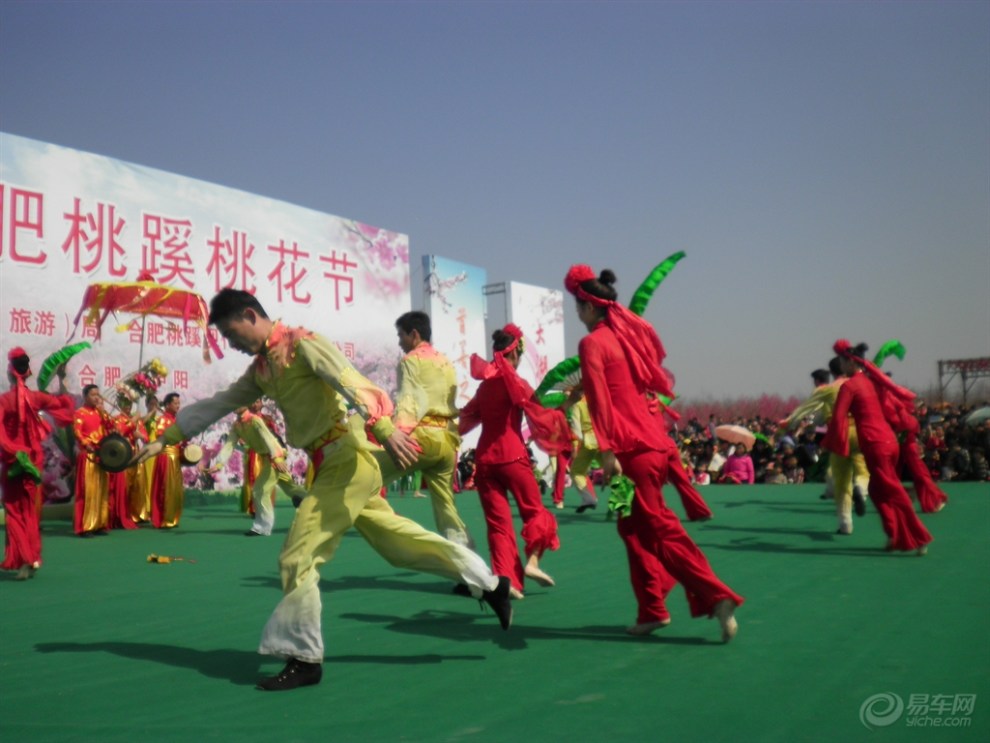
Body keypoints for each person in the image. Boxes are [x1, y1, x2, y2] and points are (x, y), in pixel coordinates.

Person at [133, 289, 512, 692]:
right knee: (397, 544)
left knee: (298, 554)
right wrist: (166, 438)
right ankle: (489, 585)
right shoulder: (262, 368)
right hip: (335, 464)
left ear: (249, 314)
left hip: (345, 460)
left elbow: (347, 379)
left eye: (231, 333)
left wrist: (384, 429)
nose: (231, 344)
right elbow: (223, 401)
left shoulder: (302, 344)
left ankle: (304, 657)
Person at [565, 264, 742, 640]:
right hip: (655, 446)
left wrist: (608, 451)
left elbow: (600, 402)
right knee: (631, 528)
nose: (576, 314)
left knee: (661, 531)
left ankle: (716, 596)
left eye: (578, 306)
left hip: (631, 452)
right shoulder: (626, 338)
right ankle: (652, 609)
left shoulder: (592, 343)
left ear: (590, 308)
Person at [460, 325, 569, 599]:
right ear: (517, 353)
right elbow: (541, 413)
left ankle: (507, 581)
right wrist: (565, 407)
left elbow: (465, 418)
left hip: (485, 462)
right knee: (535, 512)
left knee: (498, 524)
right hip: (514, 458)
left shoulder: (484, 388)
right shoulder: (517, 384)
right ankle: (532, 563)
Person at [371, 311, 475, 548]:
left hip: (420, 439)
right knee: (447, 509)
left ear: (414, 334)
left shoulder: (410, 361)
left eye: (401, 335)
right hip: (446, 442)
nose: (399, 342)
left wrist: (393, 437)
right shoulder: (446, 362)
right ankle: (470, 573)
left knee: (366, 473)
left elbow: (409, 402)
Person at [822, 341, 932, 554]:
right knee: (876, 490)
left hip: (874, 444)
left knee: (891, 490)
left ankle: (919, 536)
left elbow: (837, 418)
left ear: (847, 363)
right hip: (889, 441)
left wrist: (830, 444)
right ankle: (894, 535)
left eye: (842, 363)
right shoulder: (871, 381)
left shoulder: (849, 386)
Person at [0, 348, 75, 578]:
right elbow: (64, 404)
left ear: (10, 373)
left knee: (14, 511)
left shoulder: (5, 400)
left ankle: (24, 559)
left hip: (14, 461)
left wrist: (12, 450)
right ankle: (30, 557)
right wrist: (62, 380)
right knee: (30, 512)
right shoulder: (36, 398)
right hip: (33, 461)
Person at [780, 363, 868, 534]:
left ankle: (845, 523)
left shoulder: (828, 389)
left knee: (841, 479)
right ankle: (861, 488)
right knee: (863, 470)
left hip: (839, 434)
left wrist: (790, 422)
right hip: (860, 432)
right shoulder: (861, 384)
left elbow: (808, 407)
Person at [211, 399, 307, 536]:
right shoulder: (237, 425)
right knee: (290, 487)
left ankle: (262, 527)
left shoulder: (254, 420)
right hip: (269, 456)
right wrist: (219, 464)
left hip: (274, 456)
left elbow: (269, 438)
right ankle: (316, 503)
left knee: (260, 490)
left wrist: (277, 458)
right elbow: (229, 444)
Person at [73, 384, 112, 536]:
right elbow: (77, 433)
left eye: (98, 394)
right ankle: (85, 526)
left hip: (102, 456)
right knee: (88, 491)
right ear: (85, 396)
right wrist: (86, 444)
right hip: (88, 455)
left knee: (101, 490)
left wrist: (104, 413)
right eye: (93, 395)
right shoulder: (80, 413)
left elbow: (111, 426)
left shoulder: (100, 412)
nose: (96, 397)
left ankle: (99, 524)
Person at [150, 392, 185, 528]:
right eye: (175, 403)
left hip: (175, 456)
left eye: (178, 403)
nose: (178, 405)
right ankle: (164, 517)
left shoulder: (176, 420)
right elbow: (161, 435)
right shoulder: (163, 420)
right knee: (167, 488)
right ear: (167, 405)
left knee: (175, 488)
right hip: (166, 456)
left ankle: (173, 516)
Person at [566, 393, 600, 512]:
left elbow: (576, 428)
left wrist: (577, 444)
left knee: (576, 471)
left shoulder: (578, 404)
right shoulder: (599, 399)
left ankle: (588, 498)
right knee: (614, 469)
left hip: (589, 440)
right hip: (604, 439)